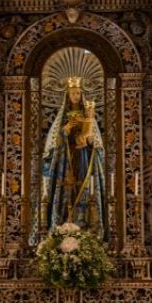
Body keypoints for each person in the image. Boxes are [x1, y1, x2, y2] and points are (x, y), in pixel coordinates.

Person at [41, 77, 106, 235]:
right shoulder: (63, 117)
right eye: (73, 93)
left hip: (83, 156)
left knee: (83, 184)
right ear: (68, 95)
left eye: (78, 93)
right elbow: (54, 144)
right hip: (67, 159)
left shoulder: (88, 115)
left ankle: (86, 223)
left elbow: (96, 143)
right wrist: (66, 130)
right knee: (67, 187)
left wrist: (87, 138)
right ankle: (64, 221)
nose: (76, 96)